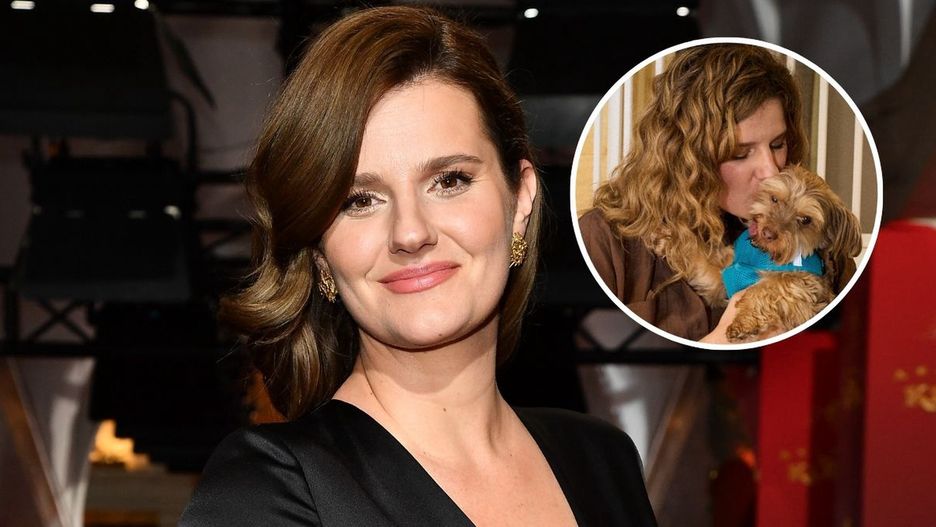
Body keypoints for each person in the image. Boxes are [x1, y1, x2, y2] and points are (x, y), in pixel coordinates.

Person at [180, 6, 656, 526]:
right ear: (319, 249)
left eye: (449, 181)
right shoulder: (266, 490)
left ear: (520, 198)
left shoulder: (603, 461)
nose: (410, 233)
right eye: (359, 200)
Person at [578, 44, 810, 343]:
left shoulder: (810, 236)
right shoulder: (603, 240)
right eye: (739, 154)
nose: (771, 172)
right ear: (685, 156)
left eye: (778, 145)